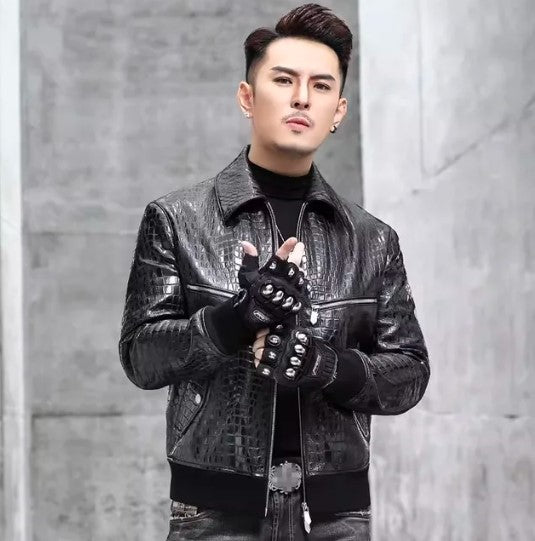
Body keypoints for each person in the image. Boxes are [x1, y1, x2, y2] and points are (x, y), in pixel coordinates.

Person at [118, 3, 430, 540]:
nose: (302, 97)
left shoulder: (373, 240)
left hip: (337, 518)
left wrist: (325, 366)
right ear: (247, 97)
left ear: (338, 110)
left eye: (321, 86)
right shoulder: (176, 219)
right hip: (213, 516)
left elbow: (410, 372)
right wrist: (236, 319)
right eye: (283, 80)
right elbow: (141, 358)